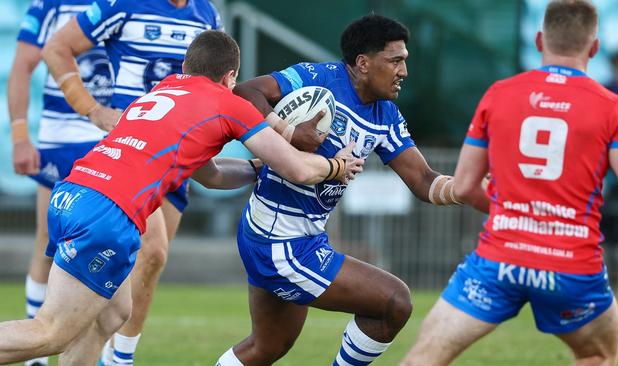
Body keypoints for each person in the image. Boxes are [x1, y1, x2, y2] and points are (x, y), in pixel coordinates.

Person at [0, 30, 363, 366]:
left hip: (74, 193)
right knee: (52, 334)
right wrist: (335, 165)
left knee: (113, 314)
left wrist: (255, 169)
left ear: (187, 67)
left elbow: (213, 174)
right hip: (107, 214)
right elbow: (298, 169)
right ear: (230, 76)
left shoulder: (165, 90)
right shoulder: (227, 101)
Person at [401, 1, 618, 365]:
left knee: (423, 358)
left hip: (499, 261)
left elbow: (467, 185)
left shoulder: (499, 94)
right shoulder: (614, 108)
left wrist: (508, 211)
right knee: (596, 355)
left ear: (538, 40)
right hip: (570, 268)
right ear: (594, 47)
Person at [215, 14, 469, 366]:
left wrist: (466, 187)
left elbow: (423, 181)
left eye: (405, 61)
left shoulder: (386, 116)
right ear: (363, 63)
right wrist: (286, 132)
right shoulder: (316, 79)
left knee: (266, 347)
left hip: (298, 236)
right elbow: (245, 92)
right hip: (279, 241)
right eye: (395, 61)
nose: (404, 72)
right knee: (394, 302)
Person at [37, 1, 282, 364]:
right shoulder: (122, 5)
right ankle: (116, 359)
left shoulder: (206, 13)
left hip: (180, 154)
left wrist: (262, 158)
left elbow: (214, 167)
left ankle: (111, 354)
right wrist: (92, 108)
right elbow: (56, 46)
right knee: (152, 251)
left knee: (132, 286)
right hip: (133, 152)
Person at [8, 1, 113, 365]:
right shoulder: (49, 5)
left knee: (121, 245)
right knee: (47, 242)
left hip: (114, 135)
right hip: (62, 137)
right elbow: (22, 66)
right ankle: (35, 352)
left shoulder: (126, 5)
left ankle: (107, 353)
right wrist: (21, 136)